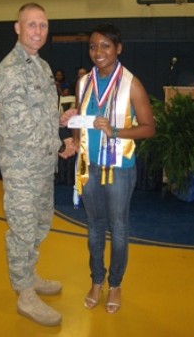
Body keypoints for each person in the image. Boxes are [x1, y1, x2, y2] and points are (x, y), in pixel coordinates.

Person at [0, 3, 77, 327]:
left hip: (41, 166)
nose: (38, 31)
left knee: (40, 223)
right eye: (31, 25)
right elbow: (19, 127)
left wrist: (61, 119)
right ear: (18, 28)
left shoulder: (41, 66)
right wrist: (60, 143)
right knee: (22, 229)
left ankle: (30, 274)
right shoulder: (10, 70)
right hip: (21, 168)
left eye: (42, 25)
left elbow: (38, 117)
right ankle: (24, 293)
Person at [72, 24, 155, 314]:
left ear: (118, 49)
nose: (98, 52)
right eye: (94, 46)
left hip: (119, 168)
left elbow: (149, 128)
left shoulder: (132, 83)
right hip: (89, 167)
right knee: (94, 228)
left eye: (106, 46)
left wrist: (116, 132)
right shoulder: (83, 83)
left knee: (118, 229)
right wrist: (73, 142)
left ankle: (115, 284)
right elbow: (80, 122)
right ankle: (97, 280)